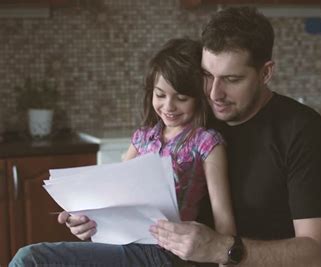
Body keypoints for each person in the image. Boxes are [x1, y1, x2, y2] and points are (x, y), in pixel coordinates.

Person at [9, 38, 235, 266]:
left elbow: (224, 226)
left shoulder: (206, 143)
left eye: (181, 98)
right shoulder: (142, 138)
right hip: (120, 242)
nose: (168, 106)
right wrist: (82, 218)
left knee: (31, 259)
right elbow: (111, 194)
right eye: (160, 95)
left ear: (199, 98)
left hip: (163, 254)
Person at [149, 7, 321, 267]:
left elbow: (317, 253)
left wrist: (223, 249)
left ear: (266, 73)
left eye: (232, 79)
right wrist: (99, 218)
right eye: (207, 76)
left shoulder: (303, 131)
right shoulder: (193, 117)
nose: (215, 93)